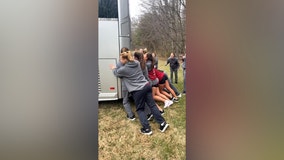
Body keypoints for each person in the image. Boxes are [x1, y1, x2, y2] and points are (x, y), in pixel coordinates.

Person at [110, 51, 169, 135]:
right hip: (147, 85)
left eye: (120, 59)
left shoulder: (124, 69)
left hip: (138, 90)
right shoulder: (137, 63)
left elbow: (116, 73)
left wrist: (113, 68)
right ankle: (163, 123)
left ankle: (147, 129)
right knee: (152, 105)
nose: (120, 61)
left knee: (140, 109)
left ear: (124, 59)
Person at [118, 47, 135, 121]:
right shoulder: (132, 61)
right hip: (133, 83)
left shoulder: (120, 63)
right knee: (137, 98)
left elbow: (119, 75)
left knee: (125, 100)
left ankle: (131, 116)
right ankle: (148, 113)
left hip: (125, 84)